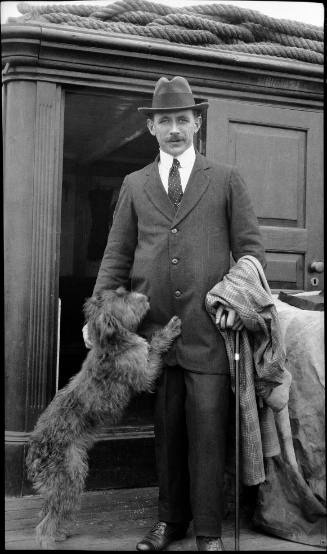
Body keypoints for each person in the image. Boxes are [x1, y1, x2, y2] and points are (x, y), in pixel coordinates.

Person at [83, 76, 266, 551]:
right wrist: (98, 315)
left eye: (182, 119)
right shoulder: (135, 184)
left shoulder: (225, 179)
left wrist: (234, 301)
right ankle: (170, 521)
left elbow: (251, 253)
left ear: (197, 123)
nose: (174, 129)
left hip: (209, 331)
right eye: (164, 121)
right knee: (166, 432)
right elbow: (116, 257)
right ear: (151, 128)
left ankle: (208, 532)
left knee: (208, 430)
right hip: (152, 336)